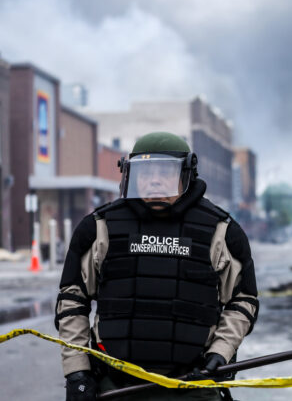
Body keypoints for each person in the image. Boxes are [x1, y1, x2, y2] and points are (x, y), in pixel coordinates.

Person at [55, 132, 258, 400]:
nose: (154, 181)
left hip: (194, 385)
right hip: (117, 385)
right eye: (145, 172)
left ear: (187, 174)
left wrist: (221, 353)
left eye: (165, 171)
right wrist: (77, 372)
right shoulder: (99, 228)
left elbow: (243, 301)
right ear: (130, 174)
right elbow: (72, 299)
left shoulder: (221, 232)